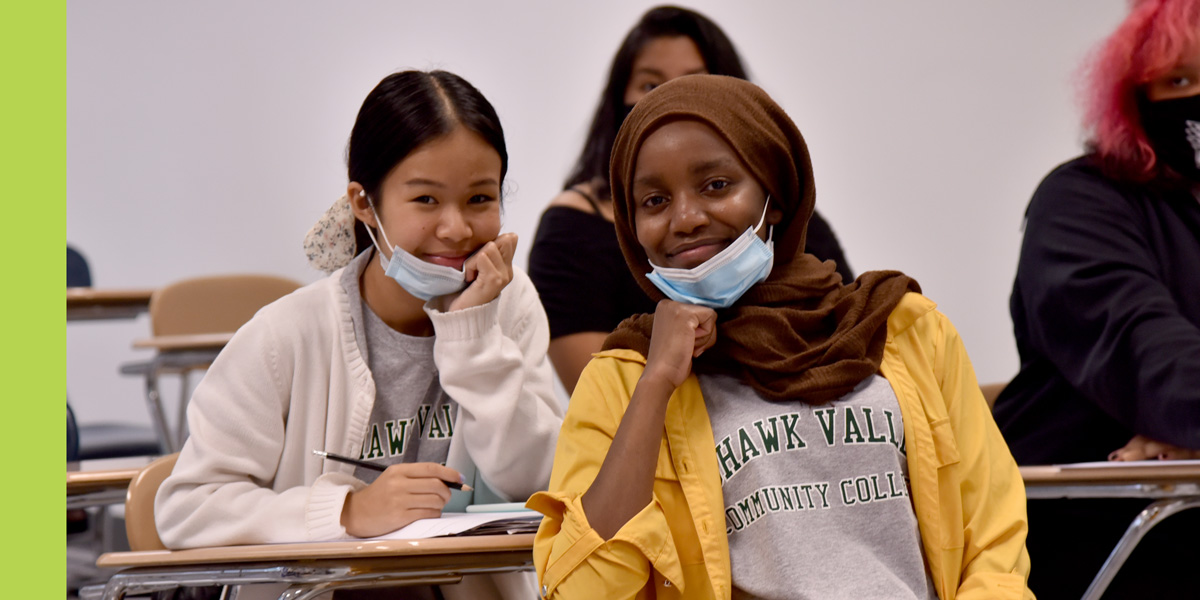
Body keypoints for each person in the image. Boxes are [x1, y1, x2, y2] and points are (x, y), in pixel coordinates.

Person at [528, 75, 1033, 599]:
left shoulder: (902, 326)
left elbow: (993, 540)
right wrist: (656, 384)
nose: (685, 218)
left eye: (716, 185)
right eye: (654, 200)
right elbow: (579, 589)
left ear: (777, 193)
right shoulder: (623, 377)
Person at [155, 70, 563, 600]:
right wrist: (346, 511)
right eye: (426, 200)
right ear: (365, 203)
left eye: (480, 199)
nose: (457, 228)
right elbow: (187, 507)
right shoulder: (288, 335)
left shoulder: (509, 306)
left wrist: (473, 336)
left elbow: (539, 481)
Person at [528, 5, 854, 393]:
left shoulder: (794, 221)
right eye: (650, 86)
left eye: (717, 186)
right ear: (617, 101)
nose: (686, 219)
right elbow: (600, 402)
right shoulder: (572, 229)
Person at [991, 0, 1200, 597]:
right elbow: (1148, 355)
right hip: (1093, 535)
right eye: (1178, 80)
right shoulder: (1080, 202)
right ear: (1132, 99)